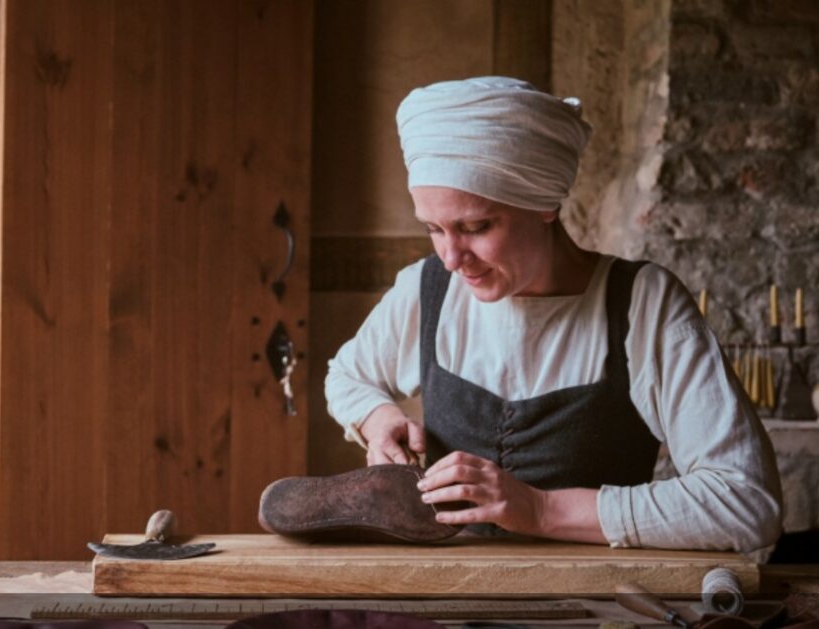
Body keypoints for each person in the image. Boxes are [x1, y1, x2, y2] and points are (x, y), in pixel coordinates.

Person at [325, 77, 782, 552]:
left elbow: (747, 501)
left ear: (544, 203)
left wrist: (542, 509)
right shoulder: (426, 289)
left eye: (476, 226)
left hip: (600, 595)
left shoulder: (644, 305)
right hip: (449, 589)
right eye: (433, 229)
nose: (452, 258)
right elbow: (347, 375)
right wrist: (376, 418)